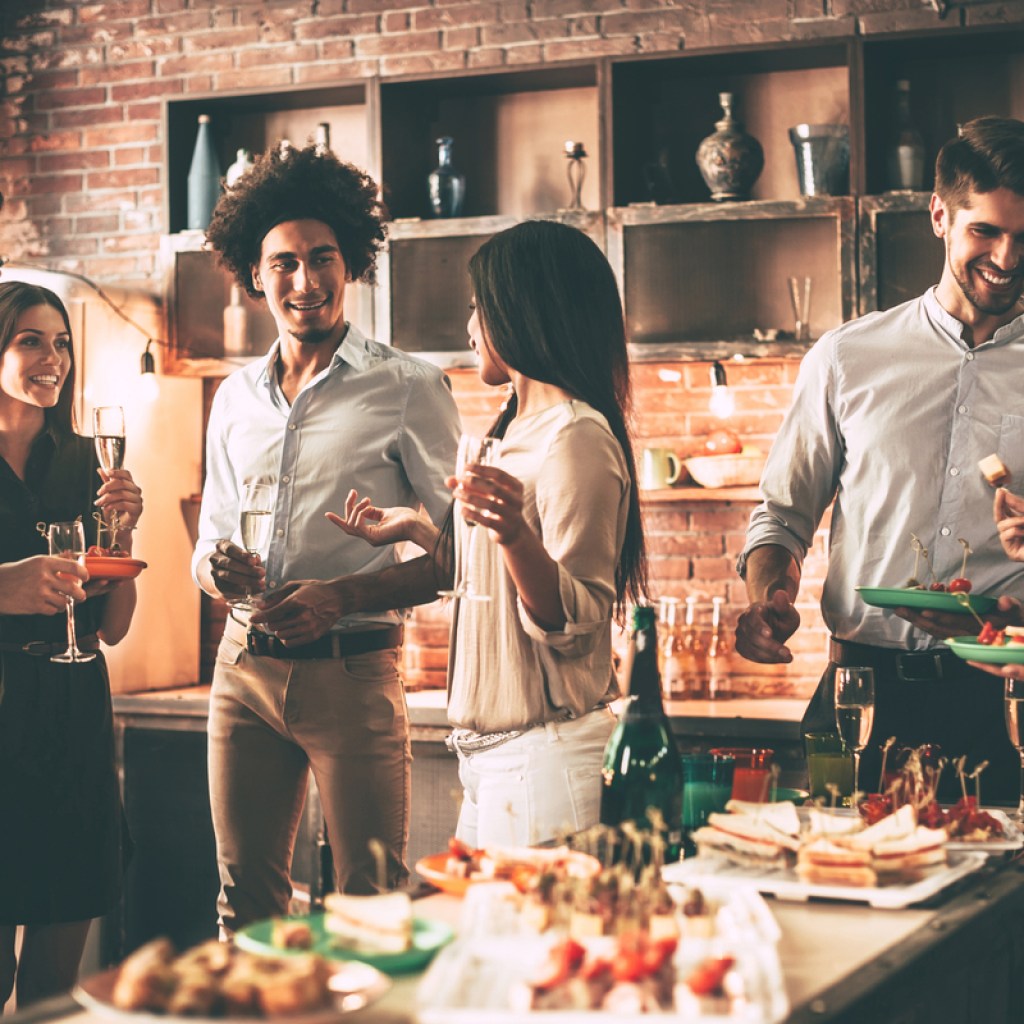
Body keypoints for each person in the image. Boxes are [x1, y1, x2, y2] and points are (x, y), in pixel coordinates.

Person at [192, 143, 460, 932]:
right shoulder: (233, 398)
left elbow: (459, 556)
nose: (304, 281)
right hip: (241, 675)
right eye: (283, 263)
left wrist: (340, 595)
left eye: (322, 259)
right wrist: (222, 569)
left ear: (351, 264)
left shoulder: (411, 387)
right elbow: (208, 539)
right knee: (246, 907)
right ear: (253, 273)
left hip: (354, 674)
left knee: (369, 908)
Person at [735, 115, 1024, 805]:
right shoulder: (846, 356)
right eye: (985, 230)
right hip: (861, 697)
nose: (1008, 258)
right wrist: (766, 597)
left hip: (1002, 703)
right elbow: (780, 515)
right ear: (940, 216)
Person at [331, 220, 648, 847]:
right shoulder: (512, 431)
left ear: (522, 310)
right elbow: (491, 586)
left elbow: (577, 617)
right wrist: (419, 530)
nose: (470, 326)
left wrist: (513, 536)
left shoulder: (575, 438)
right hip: (493, 763)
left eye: (479, 307)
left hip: (545, 760)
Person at [0, 282, 143, 1006]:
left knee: (53, 992)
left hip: (73, 724)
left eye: (60, 343)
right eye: (30, 339)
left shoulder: (88, 460)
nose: (51, 357)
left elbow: (114, 627)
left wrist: (125, 537)